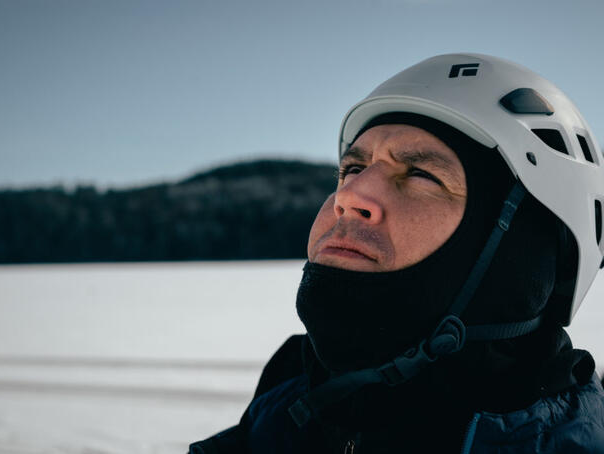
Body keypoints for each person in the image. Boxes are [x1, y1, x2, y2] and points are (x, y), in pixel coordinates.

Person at [188, 53, 604, 453]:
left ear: (528, 253)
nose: (347, 196)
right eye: (352, 169)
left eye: (422, 174)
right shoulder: (277, 414)